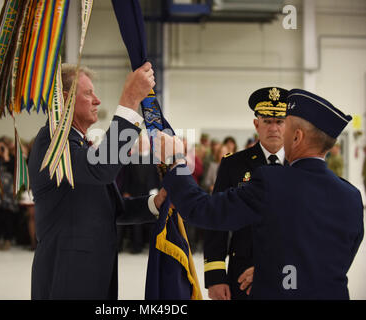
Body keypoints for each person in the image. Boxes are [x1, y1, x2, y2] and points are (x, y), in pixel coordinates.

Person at [155, 89, 364, 299]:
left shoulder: (272, 181)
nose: (277, 130)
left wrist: (176, 161)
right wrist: (272, 272)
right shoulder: (352, 196)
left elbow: (202, 210)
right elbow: (331, 262)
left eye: (285, 125)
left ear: (297, 136)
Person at [29, 62, 166, 299]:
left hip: (91, 274)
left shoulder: (80, 145)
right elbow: (103, 168)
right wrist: (130, 100)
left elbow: (112, 210)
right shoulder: (52, 141)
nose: (97, 101)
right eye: (88, 93)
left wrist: (156, 203)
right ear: (65, 99)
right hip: (67, 276)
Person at [204, 87, 288, 300]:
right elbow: (216, 220)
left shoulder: (300, 165)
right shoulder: (233, 164)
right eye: (267, 121)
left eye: (280, 121)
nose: (274, 128)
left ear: (289, 125)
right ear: (256, 124)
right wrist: (215, 276)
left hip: (289, 271)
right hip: (242, 271)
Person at [0, 137, 18, 250]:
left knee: (8, 215)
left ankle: (7, 239)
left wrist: (6, 156)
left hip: (9, 193)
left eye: (2, 147)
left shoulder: (11, 158)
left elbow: (14, 171)